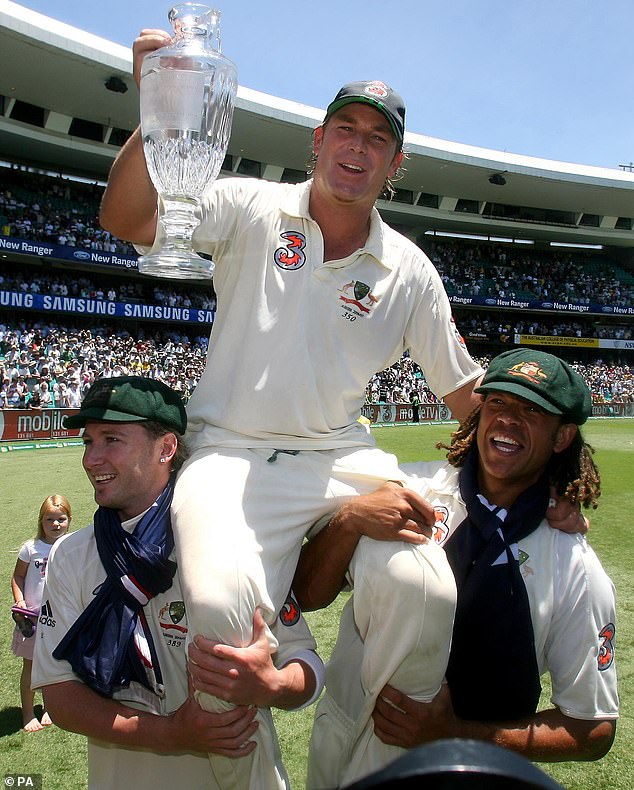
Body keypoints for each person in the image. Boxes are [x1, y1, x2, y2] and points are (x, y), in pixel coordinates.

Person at [100, 34, 484, 786]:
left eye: (379, 139)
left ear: (396, 165)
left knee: (425, 590)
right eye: (346, 128)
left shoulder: (408, 268)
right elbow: (127, 218)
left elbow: (467, 395)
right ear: (319, 140)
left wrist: (556, 474)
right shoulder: (251, 205)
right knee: (215, 616)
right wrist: (159, 107)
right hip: (229, 452)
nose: (358, 147)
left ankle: (363, 774)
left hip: (343, 458)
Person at [296, 350, 618, 788]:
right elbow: (308, 594)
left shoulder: (574, 566)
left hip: (468, 762)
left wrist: (458, 735)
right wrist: (349, 521)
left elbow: (593, 728)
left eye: (531, 410)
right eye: (498, 403)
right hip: (345, 739)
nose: (507, 419)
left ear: (561, 438)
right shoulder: (409, 489)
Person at [31, 376, 324, 790]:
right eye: (88, 442)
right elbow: (60, 697)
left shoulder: (232, 540)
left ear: (166, 448)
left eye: (111, 439)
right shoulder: (71, 555)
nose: (91, 459)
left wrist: (274, 685)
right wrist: (170, 733)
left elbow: (307, 664)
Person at [11, 493, 72, 732]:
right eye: (50, 519)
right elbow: (18, 576)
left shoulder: (70, 546)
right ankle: (28, 713)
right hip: (33, 618)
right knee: (31, 665)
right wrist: (20, 602)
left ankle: (49, 708)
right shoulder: (31, 548)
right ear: (41, 521)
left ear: (69, 520)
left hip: (60, 616)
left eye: (61, 519)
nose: (56, 524)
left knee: (55, 664)